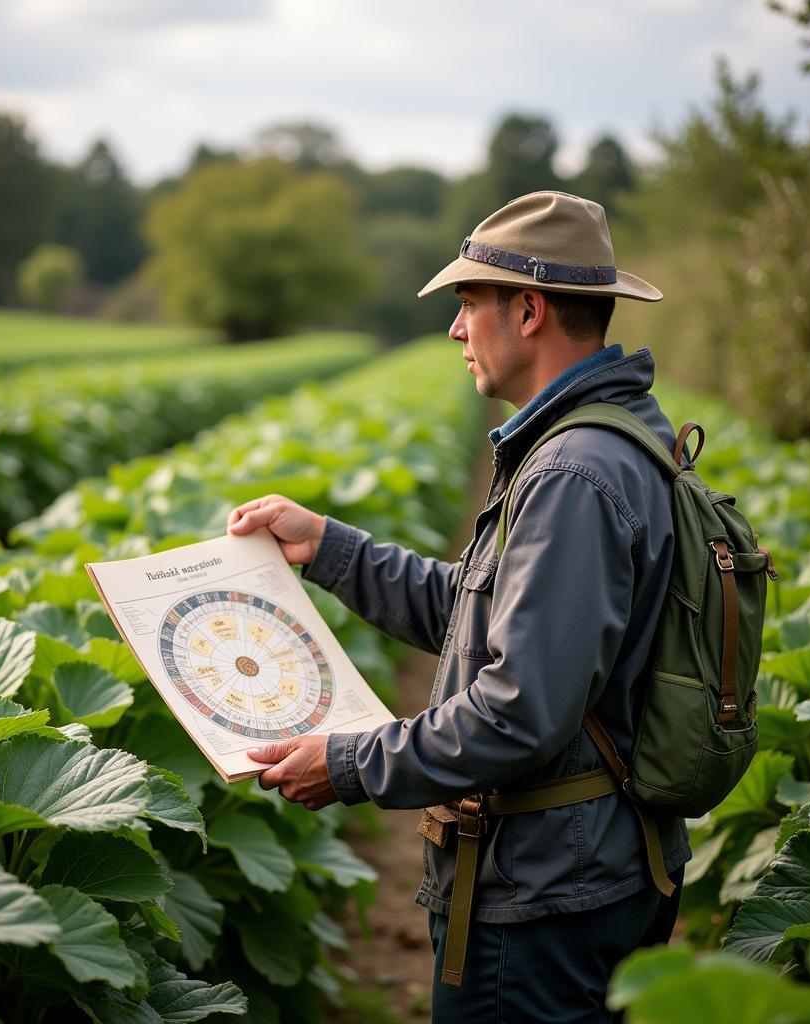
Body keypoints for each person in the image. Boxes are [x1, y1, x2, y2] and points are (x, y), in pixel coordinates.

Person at [227, 191, 690, 1023]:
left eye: (467, 304)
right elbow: (483, 615)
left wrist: (348, 763)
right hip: (588, 867)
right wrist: (329, 546)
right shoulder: (597, 441)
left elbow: (518, 713)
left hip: (545, 895)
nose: (454, 329)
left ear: (528, 309)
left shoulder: (572, 476)